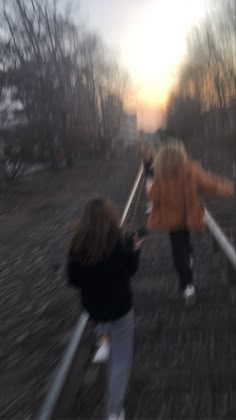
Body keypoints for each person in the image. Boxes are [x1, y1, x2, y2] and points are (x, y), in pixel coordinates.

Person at [67, 198, 142, 420]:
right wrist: (135, 250)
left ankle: (103, 342)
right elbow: (131, 270)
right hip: (120, 308)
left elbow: (74, 280)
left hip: (94, 308)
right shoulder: (120, 241)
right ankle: (113, 411)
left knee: (101, 321)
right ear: (111, 218)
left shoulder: (77, 245)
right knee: (120, 361)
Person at [146, 139, 234, 305]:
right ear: (181, 154)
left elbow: (153, 197)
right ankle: (189, 263)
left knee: (178, 249)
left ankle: (187, 288)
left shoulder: (161, 175)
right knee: (186, 244)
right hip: (188, 216)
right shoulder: (190, 170)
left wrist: (153, 191)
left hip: (172, 220)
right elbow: (209, 185)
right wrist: (228, 188)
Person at [141, 142, 155, 214]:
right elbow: (145, 169)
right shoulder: (144, 158)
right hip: (149, 177)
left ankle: (153, 206)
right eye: (146, 150)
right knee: (149, 192)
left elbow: (155, 167)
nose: (147, 151)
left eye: (148, 150)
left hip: (154, 177)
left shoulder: (153, 157)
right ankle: (151, 206)